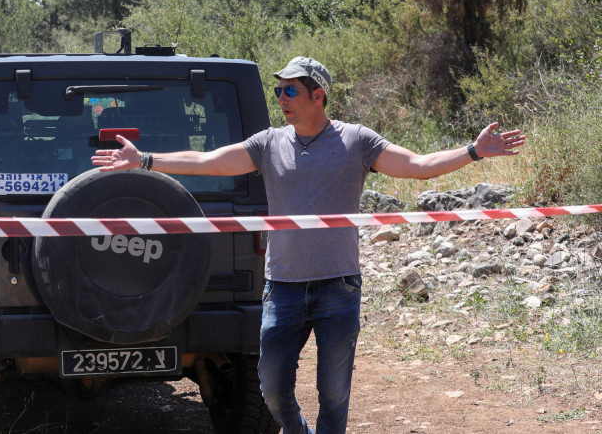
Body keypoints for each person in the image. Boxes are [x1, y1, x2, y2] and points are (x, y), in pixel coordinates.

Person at [91, 56, 526, 434]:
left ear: (318, 95)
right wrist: (146, 160)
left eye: (291, 90)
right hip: (283, 287)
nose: (281, 97)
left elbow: (417, 167)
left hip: (339, 287)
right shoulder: (268, 143)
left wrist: (473, 151)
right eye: (279, 89)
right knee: (272, 389)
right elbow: (209, 162)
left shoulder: (357, 140)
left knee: (334, 394)